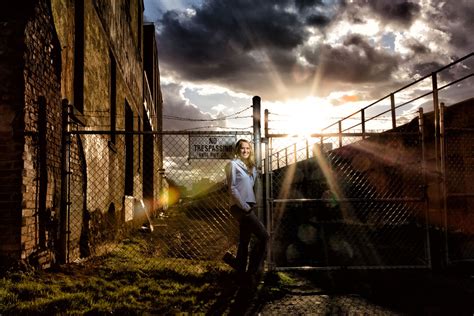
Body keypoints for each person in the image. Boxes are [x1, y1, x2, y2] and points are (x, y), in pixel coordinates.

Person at [224, 139, 269, 285]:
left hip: (248, 206)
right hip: (240, 207)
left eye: (248, 148)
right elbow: (232, 188)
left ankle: (240, 272)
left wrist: (255, 171)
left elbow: (251, 183)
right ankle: (251, 272)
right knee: (264, 236)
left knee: (244, 241)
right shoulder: (232, 165)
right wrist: (244, 206)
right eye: (242, 148)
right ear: (238, 150)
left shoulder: (251, 167)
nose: (245, 151)